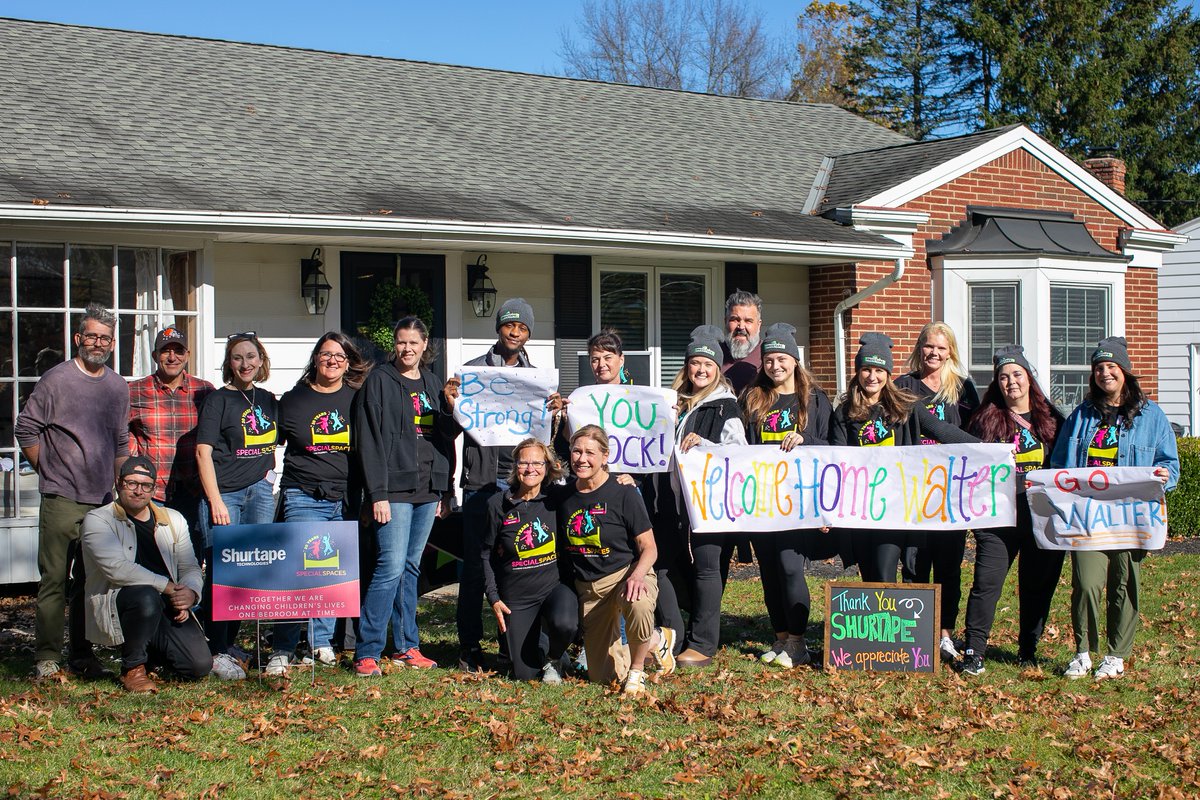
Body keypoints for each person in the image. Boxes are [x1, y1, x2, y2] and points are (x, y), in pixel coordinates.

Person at [1051, 336, 1179, 681]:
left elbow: (1171, 465)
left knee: (1124, 583)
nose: (1104, 373)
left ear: (1124, 371)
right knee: (1086, 583)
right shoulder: (1081, 416)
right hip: (1087, 516)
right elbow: (1061, 464)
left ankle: (1116, 654)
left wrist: (1163, 477)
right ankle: (1083, 652)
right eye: (1098, 368)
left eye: (1110, 366)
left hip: (1130, 517)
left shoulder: (1152, 416)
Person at [16, 302, 130, 680]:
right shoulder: (57, 379)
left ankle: (82, 655)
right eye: (92, 336)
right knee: (53, 581)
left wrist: (120, 491)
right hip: (62, 497)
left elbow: (119, 443)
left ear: (112, 343)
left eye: (105, 338)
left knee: (89, 582)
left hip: (101, 501)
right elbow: (26, 428)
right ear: (79, 338)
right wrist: (45, 467)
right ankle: (46, 657)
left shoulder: (116, 386)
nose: (98, 343)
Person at [353, 316, 458, 677]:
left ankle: (406, 646)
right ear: (394, 345)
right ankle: (367, 649)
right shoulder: (380, 381)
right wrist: (376, 494)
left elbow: (446, 435)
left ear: (425, 344)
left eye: (414, 343)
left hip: (428, 487)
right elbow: (368, 440)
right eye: (401, 342)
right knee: (390, 566)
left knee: (411, 567)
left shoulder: (432, 383)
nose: (407, 349)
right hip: (393, 490)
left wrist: (450, 405)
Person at [446, 297, 545, 673]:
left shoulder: (534, 379)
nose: (515, 331)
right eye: (509, 325)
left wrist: (551, 409)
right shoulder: (471, 374)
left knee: (520, 563)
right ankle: (469, 646)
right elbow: (451, 428)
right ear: (499, 328)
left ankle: (515, 643)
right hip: (480, 482)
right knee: (474, 568)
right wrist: (451, 403)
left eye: (522, 327)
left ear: (528, 333)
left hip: (520, 482)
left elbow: (542, 434)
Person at [830, 332, 977, 583]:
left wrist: (987, 449)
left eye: (879, 370)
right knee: (869, 574)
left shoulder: (905, 405)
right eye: (866, 369)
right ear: (858, 372)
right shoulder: (845, 412)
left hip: (896, 507)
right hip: (861, 509)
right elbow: (836, 457)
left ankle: (889, 619)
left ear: (888, 374)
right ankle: (873, 622)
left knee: (885, 571)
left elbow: (942, 430)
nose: (872, 377)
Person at [265, 332, 369, 675]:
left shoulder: (357, 399)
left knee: (329, 572)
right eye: (326, 355)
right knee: (298, 572)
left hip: (344, 498)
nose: (333, 361)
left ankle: (320, 642)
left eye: (340, 356)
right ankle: (283, 646)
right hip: (303, 493)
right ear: (316, 358)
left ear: (348, 361)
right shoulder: (294, 400)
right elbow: (268, 443)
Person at [959, 346, 1066, 675]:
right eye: (1003, 377)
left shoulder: (1053, 419)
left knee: (1038, 583)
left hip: (1041, 515)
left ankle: (1028, 650)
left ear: (1029, 378)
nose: (1011, 382)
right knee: (986, 582)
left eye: (1017, 374)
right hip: (998, 516)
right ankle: (974, 650)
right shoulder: (983, 420)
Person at [739, 323, 834, 669]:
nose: (775, 365)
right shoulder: (752, 398)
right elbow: (740, 448)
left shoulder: (816, 401)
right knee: (769, 570)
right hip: (762, 501)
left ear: (795, 360)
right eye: (769, 359)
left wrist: (806, 441)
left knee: (790, 567)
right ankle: (780, 639)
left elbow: (837, 450)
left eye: (782, 358)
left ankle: (798, 641)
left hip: (800, 503)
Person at [559, 425, 675, 694]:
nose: (582, 459)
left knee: (638, 600)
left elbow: (650, 547)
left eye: (590, 452)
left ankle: (637, 671)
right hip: (590, 588)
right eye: (576, 451)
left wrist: (636, 575)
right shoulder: (563, 496)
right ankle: (656, 640)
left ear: (605, 456)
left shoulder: (624, 492)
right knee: (603, 677)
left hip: (626, 575)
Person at [79, 456, 211, 692]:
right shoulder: (98, 519)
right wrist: (169, 587)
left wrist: (190, 594)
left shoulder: (173, 519)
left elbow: (189, 566)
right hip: (121, 602)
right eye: (132, 483)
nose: (138, 491)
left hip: (164, 603)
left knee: (198, 666)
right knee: (145, 596)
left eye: (146, 485)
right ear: (119, 484)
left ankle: (152, 656)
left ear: (153, 489)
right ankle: (133, 668)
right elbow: (117, 569)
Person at [196, 332, 280, 680]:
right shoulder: (218, 401)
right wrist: (216, 500)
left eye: (251, 357)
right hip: (225, 496)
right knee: (221, 572)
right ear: (229, 364)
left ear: (261, 360)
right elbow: (202, 452)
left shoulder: (269, 399)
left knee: (248, 572)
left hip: (259, 493)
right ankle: (215, 649)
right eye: (237, 358)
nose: (245, 364)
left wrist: (267, 478)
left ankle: (229, 645)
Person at [895, 322, 981, 661]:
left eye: (941, 348)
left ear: (951, 353)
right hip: (913, 489)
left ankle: (945, 633)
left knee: (948, 563)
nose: (934, 353)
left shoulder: (962, 388)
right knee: (915, 560)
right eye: (929, 346)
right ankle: (917, 630)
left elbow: (977, 431)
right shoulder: (903, 385)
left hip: (952, 491)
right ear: (920, 348)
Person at [670, 325, 748, 667]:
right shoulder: (676, 405)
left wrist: (706, 445)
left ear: (718, 369)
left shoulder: (725, 408)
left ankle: (703, 644)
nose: (701, 369)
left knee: (707, 568)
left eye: (708, 364)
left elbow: (740, 453)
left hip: (712, 504)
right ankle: (679, 632)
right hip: (676, 502)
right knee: (680, 568)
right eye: (695, 363)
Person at [483, 438, 578, 683]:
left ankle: (555, 657)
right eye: (523, 463)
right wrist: (494, 597)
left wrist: (625, 479)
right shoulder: (497, 504)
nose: (530, 469)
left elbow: (592, 485)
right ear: (515, 466)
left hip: (552, 587)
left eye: (537, 462)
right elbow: (485, 555)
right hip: (517, 596)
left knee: (566, 624)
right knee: (525, 674)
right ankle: (538, 649)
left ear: (547, 467)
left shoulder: (556, 497)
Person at [128, 326, 216, 560]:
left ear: (187, 355)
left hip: (195, 491)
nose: (172, 357)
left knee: (193, 558)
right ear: (156, 356)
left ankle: (194, 598)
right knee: (154, 558)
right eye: (165, 351)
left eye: (178, 351)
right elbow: (120, 434)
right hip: (153, 492)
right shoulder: (135, 391)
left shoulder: (205, 390)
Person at [720, 290, 764, 395]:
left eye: (748, 321)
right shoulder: (714, 354)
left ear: (759, 324)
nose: (741, 327)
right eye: (735, 319)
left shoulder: (769, 355)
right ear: (725, 321)